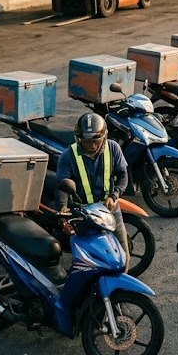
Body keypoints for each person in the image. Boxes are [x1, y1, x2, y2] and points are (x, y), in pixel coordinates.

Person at [56, 113, 130, 266]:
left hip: (108, 210)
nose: (91, 145)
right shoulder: (67, 156)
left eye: (95, 141)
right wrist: (63, 208)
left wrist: (114, 196)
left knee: (123, 257)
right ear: (78, 138)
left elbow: (123, 176)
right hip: (82, 213)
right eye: (86, 141)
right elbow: (61, 186)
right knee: (86, 262)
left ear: (104, 137)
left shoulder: (114, 148)